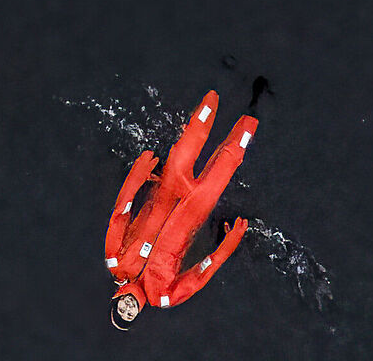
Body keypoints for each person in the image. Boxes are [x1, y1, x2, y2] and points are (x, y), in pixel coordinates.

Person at [105, 90, 258, 322]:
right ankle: (255, 108)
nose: (128, 307)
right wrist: (228, 245)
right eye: (130, 315)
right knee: (229, 159)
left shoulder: (116, 261)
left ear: (116, 298)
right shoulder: (164, 296)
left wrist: (136, 176)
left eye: (121, 309)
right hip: (196, 208)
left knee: (192, 136)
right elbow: (199, 275)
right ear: (137, 314)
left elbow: (121, 213)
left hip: (168, 187)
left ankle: (222, 86)